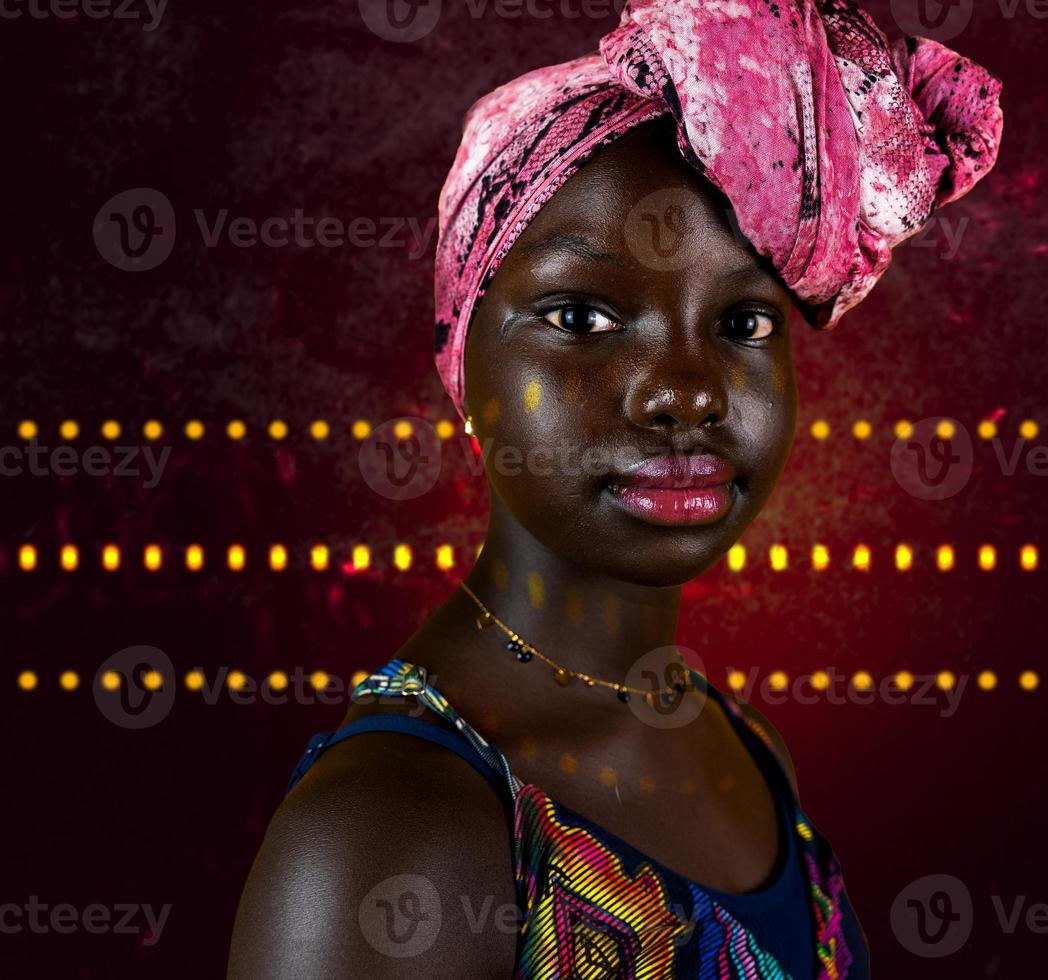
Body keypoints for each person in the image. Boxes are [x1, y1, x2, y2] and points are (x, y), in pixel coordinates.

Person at [228, 1, 1000, 976]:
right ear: (467, 363)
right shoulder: (393, 831)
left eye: (744, 323)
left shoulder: (744, 745)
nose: (688, 388)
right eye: (584, 315)